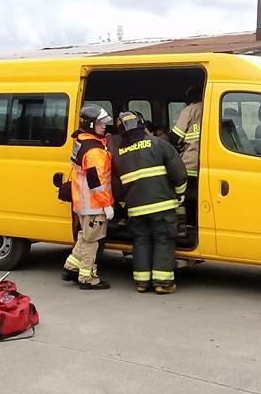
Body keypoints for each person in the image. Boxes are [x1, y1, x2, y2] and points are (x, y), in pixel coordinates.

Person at [111, 111, 187, 294]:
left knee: (141, 241)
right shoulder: (159, 144)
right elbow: (179, 173)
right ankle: (163, 283)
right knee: (163, 240)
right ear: (141, 125)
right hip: (162, 206)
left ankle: (142, 283)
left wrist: (125, 202)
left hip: (135, 209)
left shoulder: (119, 154)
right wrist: (179, 194)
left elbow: (116, 186)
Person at [61, 105, 115, 290]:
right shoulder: (94, 151)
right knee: (92, 241)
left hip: (82, 202)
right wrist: (107, 205)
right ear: (91, 125)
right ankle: (87, 278)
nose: (104, 126)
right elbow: (97, 182)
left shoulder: (82, 142)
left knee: (85, 237)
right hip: (94, 204)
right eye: (101, 124)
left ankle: (70, 267)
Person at [170, 87, 203, 228]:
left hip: (191, 163)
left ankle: (189, 227)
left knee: (189, 198)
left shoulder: (191, 109)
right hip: (206, 164)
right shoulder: (210, 107)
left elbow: (176, 136)